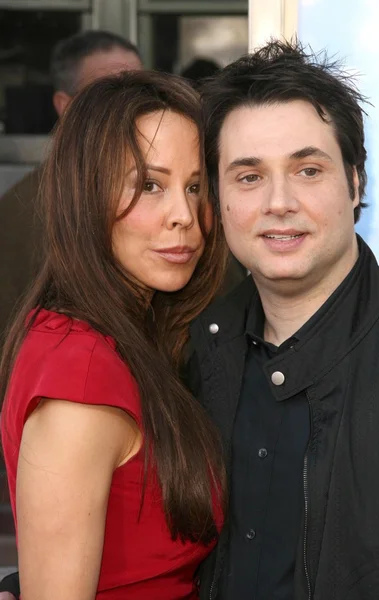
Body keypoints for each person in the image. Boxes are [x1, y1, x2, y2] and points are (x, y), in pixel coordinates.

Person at [0, 70, 226, 600]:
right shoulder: (81, 371)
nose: (184, 216)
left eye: (195, 187)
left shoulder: (130, 336)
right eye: (150, 185)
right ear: (86, 196)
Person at [186, 40, 379, 599]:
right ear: (218, 197)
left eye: (307, 170)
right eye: (249, 176)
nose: (279, 202)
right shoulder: (188, 353)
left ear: (356, 183)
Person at [0, 30, 143, 345]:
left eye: (141, 92)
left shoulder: (178, 194)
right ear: (65, 105)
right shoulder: (23, 210)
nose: (129, 108)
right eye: (106, 94)